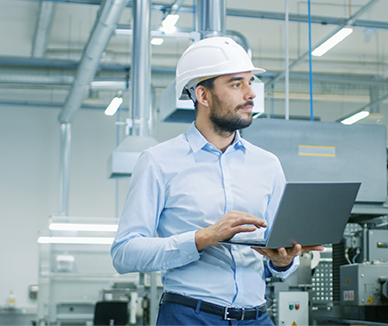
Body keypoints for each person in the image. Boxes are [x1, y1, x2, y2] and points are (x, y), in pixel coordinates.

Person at [111, 36, 323, 325]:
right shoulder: (158, 162)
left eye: (250, 82)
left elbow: (281, 252)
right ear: (203, 95)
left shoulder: (268, 165)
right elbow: (124, 253)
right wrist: (202, 238)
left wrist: (283, 261)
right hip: (189, 316)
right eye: (237, 84)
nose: (251, 94)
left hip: (256, 317)